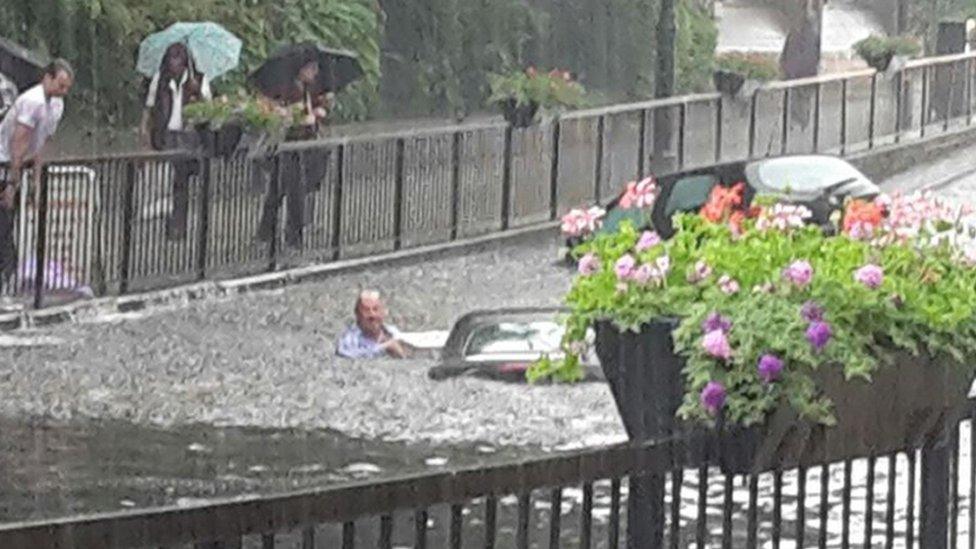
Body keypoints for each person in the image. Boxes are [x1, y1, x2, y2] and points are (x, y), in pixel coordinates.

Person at [0, 59, 73, 308]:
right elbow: (18, 143)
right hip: (5, 163)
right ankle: (6, 282)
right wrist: (12, 182)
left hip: (20, 165)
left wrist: (36, 183)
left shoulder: (56, 105)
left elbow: (41, 145)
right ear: (48, 77)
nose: (63, 92)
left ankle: (8, 284)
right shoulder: (31, 102)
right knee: (4, 225)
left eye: (67, 87)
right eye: (60, 85)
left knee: (8, 225)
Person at [256, 59, 332, 248]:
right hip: (286, 147)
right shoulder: (287, 89)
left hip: (303, 146)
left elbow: (315, 112)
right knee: (290, 191)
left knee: (280, 190)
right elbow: (275, 112)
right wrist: (293, 116)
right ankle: (290, 238)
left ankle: (268, 233)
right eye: (311, 69)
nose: (314, 73)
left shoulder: (310, 90)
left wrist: (320, 111)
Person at [140, 43, 211, 240]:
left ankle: (178, 225)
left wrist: (198, 94)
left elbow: (209, 109)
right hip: (166, 134)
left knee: (182, 181)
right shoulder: (160, 79)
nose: (175, 69)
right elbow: (149, 106)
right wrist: (145, 132)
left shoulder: (199, 79)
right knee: (166, 180)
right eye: (172, 63)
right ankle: (169, 221)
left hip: (188, 135)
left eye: (179, 64)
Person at [336, 290, 408, 359]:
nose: (372, 314)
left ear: (383, 312)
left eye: (375, 309)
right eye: (366, 310)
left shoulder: (392, 331)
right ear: (358, 314)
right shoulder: (350, 337)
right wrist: (384, 347)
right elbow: (345, 354)